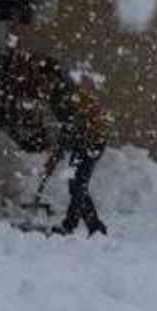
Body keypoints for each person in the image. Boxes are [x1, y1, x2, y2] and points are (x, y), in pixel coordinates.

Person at [41, 67, 111, 237]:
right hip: (85, 141)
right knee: (76, 184)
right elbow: (69, 131)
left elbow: (69, 131)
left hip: (92, 142)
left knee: (78, 185)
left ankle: (70, 225)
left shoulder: (71, 99)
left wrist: (56, 155)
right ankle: (94, 225)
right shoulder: (68, 96)